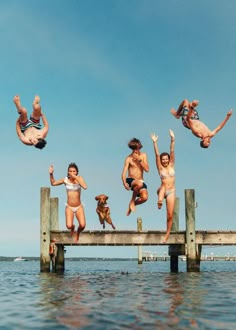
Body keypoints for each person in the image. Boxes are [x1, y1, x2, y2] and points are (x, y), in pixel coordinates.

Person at [49, 163, 87, 242]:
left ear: (77, 172)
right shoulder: (65, 180)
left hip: (79, 206)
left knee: (82, 225)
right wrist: (51, 174)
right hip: (69, 206)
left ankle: (77, 233)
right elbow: (53, 183)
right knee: (69, 226)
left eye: (74, 171)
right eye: (70, 171)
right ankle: (73, 228)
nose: (72, 173)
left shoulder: (79, 178)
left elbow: (85, 186)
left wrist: (75, 177)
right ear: (68, 172)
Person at [151, 129, 176, 243]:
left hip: (171, 192)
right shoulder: (160, 168)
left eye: (166, 159)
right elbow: (156, 154)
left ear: (169, 160)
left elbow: (172, 150)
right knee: (162, 187)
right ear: (161, 161)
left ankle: (167, 234)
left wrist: (172, 139)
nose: (165, 161)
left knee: (170, 215)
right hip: (163, 189)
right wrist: (154, 142)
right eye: (163, 159)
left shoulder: (171, 165)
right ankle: (160, 200)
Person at [121, 138, 149, 216]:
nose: (136, 151)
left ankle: (132, 205)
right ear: (132, 149)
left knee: (145, 198)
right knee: (139, 184)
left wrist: (139, 160)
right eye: (134, 149)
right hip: (131, 180)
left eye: (137, 148)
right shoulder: (128, 158)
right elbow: (123, 173)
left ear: (140, 147)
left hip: (140, 180)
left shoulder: (143, 155)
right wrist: (124, 183)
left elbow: (147, 169)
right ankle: (132, 201)